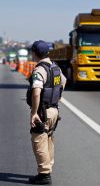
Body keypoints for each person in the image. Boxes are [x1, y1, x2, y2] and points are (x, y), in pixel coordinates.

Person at [26, 40, 66, 185]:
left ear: (35, 53)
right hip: (54, 110)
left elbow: (36, 92)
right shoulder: (56, 67)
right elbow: (63, 82)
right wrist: (57, 97)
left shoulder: (40, 69)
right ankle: (47, 169)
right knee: (48, 139)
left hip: (43, 111)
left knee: (39, 141)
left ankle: (44, 175)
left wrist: (34, 112)